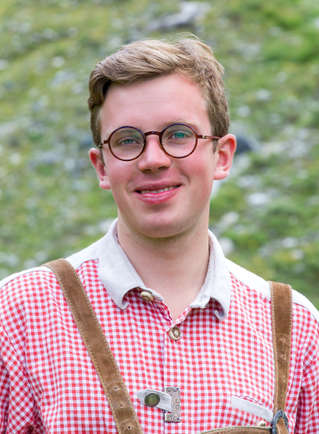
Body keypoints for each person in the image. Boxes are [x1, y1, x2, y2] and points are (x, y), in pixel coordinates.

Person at [0, 36, 318, 433]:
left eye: (179, 134)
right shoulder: (17, 315)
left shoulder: (295, 328)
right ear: (101, 166)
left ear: (222, 156)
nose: (153, 160)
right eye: (128, 141)